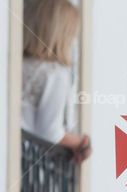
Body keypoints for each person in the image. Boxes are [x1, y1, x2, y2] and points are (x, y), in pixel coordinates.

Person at [21, 0, 90, 162]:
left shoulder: (15, 65)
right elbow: (49, 132)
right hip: (29, 165)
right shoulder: (54, 73)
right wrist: (81, 142)